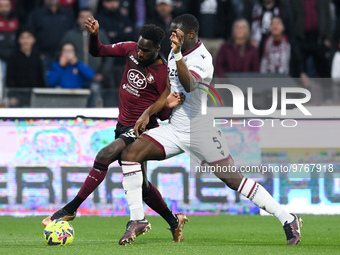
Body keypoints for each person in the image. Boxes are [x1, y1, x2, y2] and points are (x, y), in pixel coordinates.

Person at [119, 13, 303, 245]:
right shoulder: (174, 51)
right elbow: (169, 88)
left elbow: (189, 85)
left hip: (201, 132)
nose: (173, 36)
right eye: (172, 32)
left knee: (233, 180)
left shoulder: (203, 58)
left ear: (192, 35)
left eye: (178, 33)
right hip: (175, 129)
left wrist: (176, 55)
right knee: (130, 154)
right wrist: (149, 111)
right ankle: (137, 219)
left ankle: (287, 218)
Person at [42, 17, 188, 245]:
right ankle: (173, 220)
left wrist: (168, 105)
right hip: (122, 125)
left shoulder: (162, 73)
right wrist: (94, 35)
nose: (140, 53)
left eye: (145, 50)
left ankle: (70, 209)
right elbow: (97, 52)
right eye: (139, 47)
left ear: (157, 49)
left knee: (104, 155)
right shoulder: (130, 49)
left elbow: (161, 114)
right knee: (142, 187)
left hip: (142, 129)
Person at [60, 7, 113, 106]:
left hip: (95, 77)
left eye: (88, 17)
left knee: (95, 97)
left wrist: (102, 73)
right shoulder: (70, 35)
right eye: (82, 17)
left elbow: (109, 55)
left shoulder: (100, 35)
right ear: (77, 19)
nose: (85, 20)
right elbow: (61, 54)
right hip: (75, 77)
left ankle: (96, 119)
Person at [27, 0, 74, 73]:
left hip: (64, 55)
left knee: (65, 83)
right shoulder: (36, 15)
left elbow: (72, 33)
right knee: (44, 82)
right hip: (44, 56)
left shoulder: (67, 13)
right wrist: (38, 53)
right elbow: (29, 35)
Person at [6, 28, 46, 107]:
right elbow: (9, 78)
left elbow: (40, 77)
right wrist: (12, 96)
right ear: (19, 40)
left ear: (33, 40)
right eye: (23, 37)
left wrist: (42, 94)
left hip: (34, 94)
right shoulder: (13, 57)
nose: (26, 41)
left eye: (28, 37)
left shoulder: (36, 56)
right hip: (17, 95)